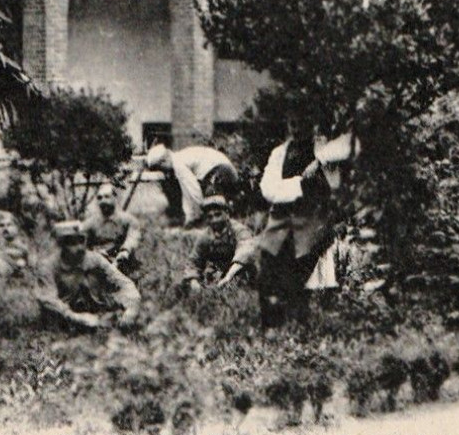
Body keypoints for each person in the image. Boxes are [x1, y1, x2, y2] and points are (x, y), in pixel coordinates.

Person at [254, 126, 354, 328]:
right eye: (292, 121)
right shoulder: (280, 153)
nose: (297, 126)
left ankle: (299, 322)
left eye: (302, 120)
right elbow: (269, 190)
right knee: (267, 266)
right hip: (281, 217)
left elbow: (348, 146)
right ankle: (272, 324)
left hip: (311, 219)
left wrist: (319, 161)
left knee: (298, 270)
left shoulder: (324, 147)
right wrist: (300, 184)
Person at [38, 220, 141, 331]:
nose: (80, 247)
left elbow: (123, 283)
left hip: (96, 311)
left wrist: (132, 308)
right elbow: (48, 299)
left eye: (82, 241)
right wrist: (75, 317)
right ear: (61, 245)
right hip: (63, 319)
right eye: (72, 243)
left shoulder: (95, 259)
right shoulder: (48, 266)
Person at [144, 143, 240, 225]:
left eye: (161, 168)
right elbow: (187, 193)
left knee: (212, 202)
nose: (165, 172)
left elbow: (193, 190)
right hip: (223, 171)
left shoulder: (177, 163)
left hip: (222, 171)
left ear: (164, 161)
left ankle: (223, 223)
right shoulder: (180, 157)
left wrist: (195, 216)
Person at [182, 195, 255, 290]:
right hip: (219, 273)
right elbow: (194, 260)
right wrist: (193, 280)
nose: (214, 220)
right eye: (210, 216)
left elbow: (246, 249)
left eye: (218, 214)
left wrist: (229, 276)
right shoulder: (206, 236)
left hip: (239, 270)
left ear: (227, 214)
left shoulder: (238, 230)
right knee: (182, 287)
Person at [82, 181, 143, 273]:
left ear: (115, 198)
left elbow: (133, 236)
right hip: (98, 264)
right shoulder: (90, 223)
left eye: (107, 197)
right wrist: (93, 254)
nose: (103, 201)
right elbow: (81, 243)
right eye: (99, 198)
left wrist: (125, 250)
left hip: (123, 262)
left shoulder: (128, 220)